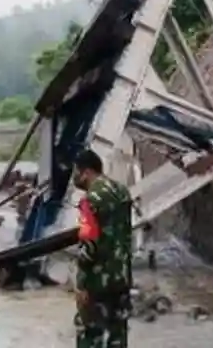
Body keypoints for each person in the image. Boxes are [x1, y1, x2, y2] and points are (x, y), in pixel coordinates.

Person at [72, 149, 133, 348]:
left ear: (86, 172)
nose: (74, 177)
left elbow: (89, 245)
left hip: (98, 281)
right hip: (121, 277)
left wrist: (81, 284)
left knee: (89, 333)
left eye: (76, 172)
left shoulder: (90, 200)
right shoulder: (122, 191)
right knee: (117, 333)